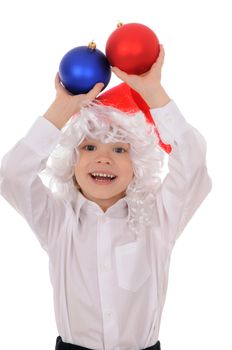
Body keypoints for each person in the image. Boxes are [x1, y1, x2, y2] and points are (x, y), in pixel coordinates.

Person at [0, 45, 212, 350]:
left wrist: (153, 93)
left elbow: (192, 166)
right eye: (89, 148)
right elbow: (13, 174)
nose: (103, 159)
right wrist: (62, 109)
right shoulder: (58, 221)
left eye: (118, 149)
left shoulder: (159, 218)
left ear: (137, 164)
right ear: (71, 161)